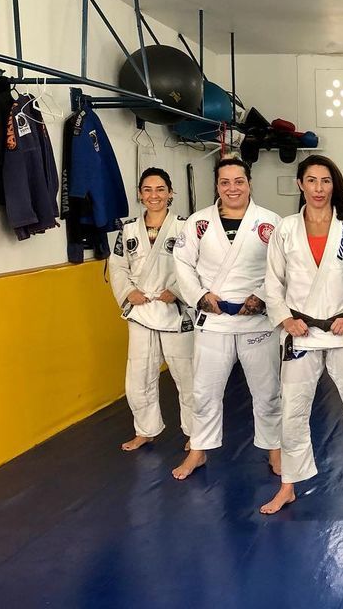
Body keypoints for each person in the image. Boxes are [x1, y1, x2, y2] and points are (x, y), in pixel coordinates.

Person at [259, 155, 343, 514]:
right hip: (301, 333)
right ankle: (288, 486)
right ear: (300, 184)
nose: (318, 188)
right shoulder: (286, 229)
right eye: (311, 180)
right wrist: (285, 320)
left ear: (335, 185)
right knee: (292, 412)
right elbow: (272, 282)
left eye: (325, 181)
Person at [171, 156, 283, 479]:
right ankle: (198, 451)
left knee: (267, 391)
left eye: (239, 181)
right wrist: (200, 297)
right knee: (204, 391)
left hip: (257, 320)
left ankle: (275, 450)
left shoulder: (271, 222)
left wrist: (262, 296)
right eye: (225, 182)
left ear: (249, 183)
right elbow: (182, 263)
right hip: (214, 319)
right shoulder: (198, 222)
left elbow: (283, 266)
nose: (232, 188)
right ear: (217, 186)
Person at [108, 168, 194, 451]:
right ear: (140, 194)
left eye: (160, 189)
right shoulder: (128, 229)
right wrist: (128, 293)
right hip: (141, 309)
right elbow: (117, 266)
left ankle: (196, 434)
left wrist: (178, 291)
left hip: (175, 310)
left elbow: (198, 264)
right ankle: (145, 430)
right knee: (139, 376)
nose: (153, 195)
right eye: (147, 189)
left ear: (170, 193)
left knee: (187, 376)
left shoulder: (185, 227)